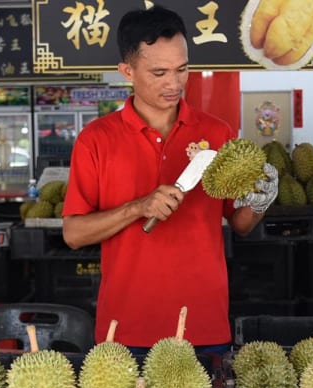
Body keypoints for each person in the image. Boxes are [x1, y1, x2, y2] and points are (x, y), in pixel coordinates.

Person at [61, 6, 276, 351]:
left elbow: (241, 224)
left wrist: (261, 200)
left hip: (203, 325)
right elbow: (73, 234)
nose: (174, 84)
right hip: (125, 330)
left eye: (182, 69)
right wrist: (137, 207)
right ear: (127, 71)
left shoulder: (216, 133)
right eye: (159, 72)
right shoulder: (96, 139)